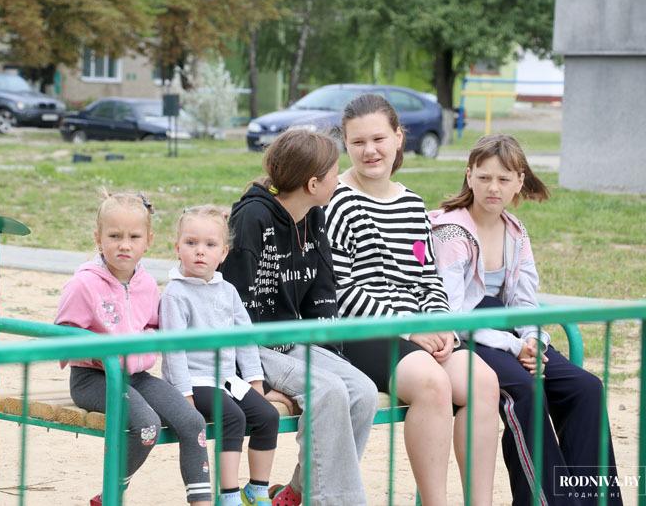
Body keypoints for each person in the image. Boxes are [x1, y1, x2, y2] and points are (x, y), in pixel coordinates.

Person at [324, 93, 500, 506]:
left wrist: (439, 322)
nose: (370, 150)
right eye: (358, 142)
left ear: (399, 138)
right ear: (346, 145)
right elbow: (340, 290)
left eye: (379, 139)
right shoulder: (337, 201)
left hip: (418, 330)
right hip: (363, 331)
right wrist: (407, 328)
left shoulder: (412, 203)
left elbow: (427, 277)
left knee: (483, 381)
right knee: (432, 384)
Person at [429, 133, 622, 506]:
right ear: (469, 176)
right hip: (468, 336)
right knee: (526, 391)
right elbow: (452, 315)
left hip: (510, 330)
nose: (493, 187)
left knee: (586, 388)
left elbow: (525, 300)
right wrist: (515, 346)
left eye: (504, 179)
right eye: (484, 177)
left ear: (519, 181)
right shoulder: (451, 232)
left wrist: (534, 339)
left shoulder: (515, 231)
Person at [221, 129, 377, 506]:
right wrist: (253, 381)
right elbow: (230, 310)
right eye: (334, 173)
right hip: (253, 347)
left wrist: (331, 355)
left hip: (290, 343)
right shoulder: (252, 219)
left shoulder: (313, 215)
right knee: (328, 391)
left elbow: (322, 292)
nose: (339, 180)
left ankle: (300, 493)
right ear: (312, 183)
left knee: (363, 391)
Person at [55, 190, 212, 506]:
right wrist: (100, 350)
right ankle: (111, 494)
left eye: (134, 237)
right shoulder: (83, 284)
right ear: (98, 238)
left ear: (148, 241)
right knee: (146, 426)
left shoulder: (147, 284)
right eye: (114, 236)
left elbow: (153, 326)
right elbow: (62, 336)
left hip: (138, 377)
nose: (124, 245)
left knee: (193, 422)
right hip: (94, 379)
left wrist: (147, 343)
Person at [161, 205, 280, 506]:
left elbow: (244, 338)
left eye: (210, 244)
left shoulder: (227, 290)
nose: (200, 251)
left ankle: (257, 490)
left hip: (227, 379)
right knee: (233, 417)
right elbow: (173, 349)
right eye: (191, 243)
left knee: (268, 416)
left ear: (223, 253)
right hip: (195, 381)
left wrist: (255, 381)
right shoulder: (175, 293)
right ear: (177, 248)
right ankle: (228, 496)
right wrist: (184, 394)